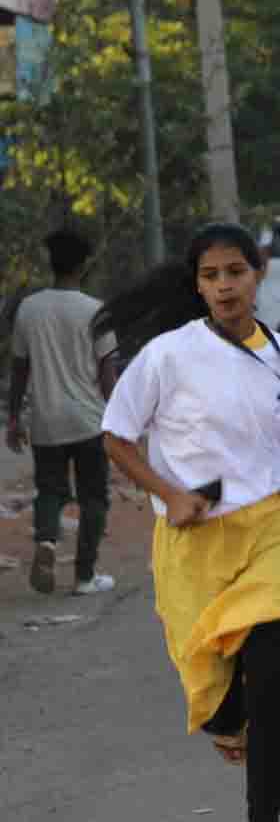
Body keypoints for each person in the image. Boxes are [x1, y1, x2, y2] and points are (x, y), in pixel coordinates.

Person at [98, 224, 280, 822]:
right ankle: (223, 722)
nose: (225, 286)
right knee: (211, 701)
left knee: (270, 688)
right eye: (211, 276)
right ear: (198, 284)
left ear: (257, 273)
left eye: (236, 272)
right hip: (191, 540)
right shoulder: (168, 356)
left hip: (268, 532)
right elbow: (117, 437)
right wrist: (169, 493)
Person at [8, 230, 119, 596]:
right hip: (89, 419)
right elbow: (107, 374)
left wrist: (13, 417)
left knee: (50, 491)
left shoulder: (30, 308)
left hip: (46, 420)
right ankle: (85, 576)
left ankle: (47, 542)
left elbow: (20, 368)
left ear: (51, 264)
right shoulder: (95, 311)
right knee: (93, 497)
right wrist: (121, 421)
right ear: (84, 266)